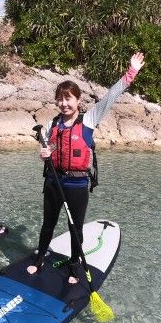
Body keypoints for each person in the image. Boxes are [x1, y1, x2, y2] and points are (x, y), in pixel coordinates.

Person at [27, 52, 146, 281]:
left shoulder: (89, 119)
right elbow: (51, 148)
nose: (64, 104)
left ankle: (74, 267)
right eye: (60, 99)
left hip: (77, 185)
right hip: (53, 182)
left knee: (75, 228)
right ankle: (39, 259)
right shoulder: (53, 123)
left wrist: (131, 72)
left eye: (68, 99)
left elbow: (111, 96)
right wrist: (44, 154)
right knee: (47, 225)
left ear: (78, 100)